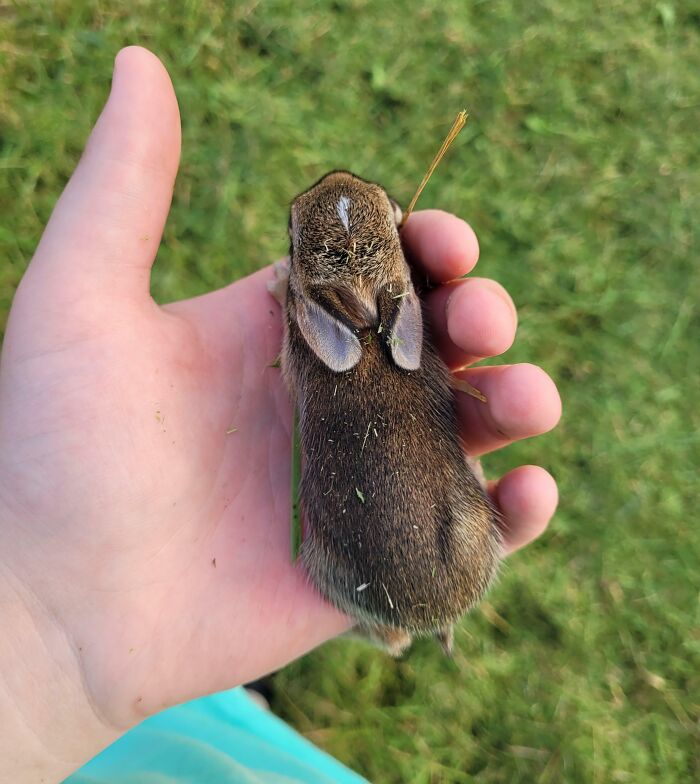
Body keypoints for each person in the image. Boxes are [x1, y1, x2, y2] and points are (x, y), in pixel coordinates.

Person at [0, 47, 561, 783]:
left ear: (308, 292)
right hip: (451, 548)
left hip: (390, 558)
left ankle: (368, 622)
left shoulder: (310, 334)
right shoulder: (404, 318)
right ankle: (340, 651)